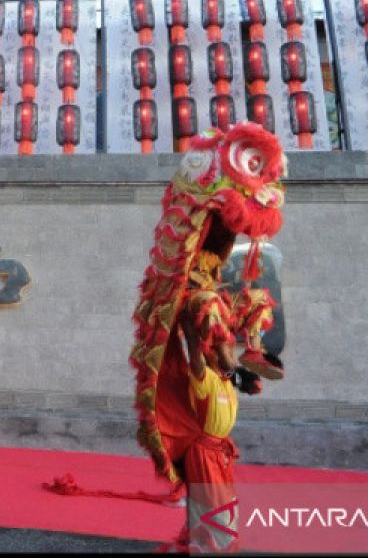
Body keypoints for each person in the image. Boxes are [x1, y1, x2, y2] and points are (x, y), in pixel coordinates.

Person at [131, 124, 287, 553]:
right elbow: (191, 342)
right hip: (194, 303)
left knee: (255, 298)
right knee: (210, 308)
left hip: (219, 448)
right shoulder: (205, 374)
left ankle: (252, 350)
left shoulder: (220, 382)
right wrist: (186, 326)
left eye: (225, 363)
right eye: (225, 363)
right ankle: (206, 544)